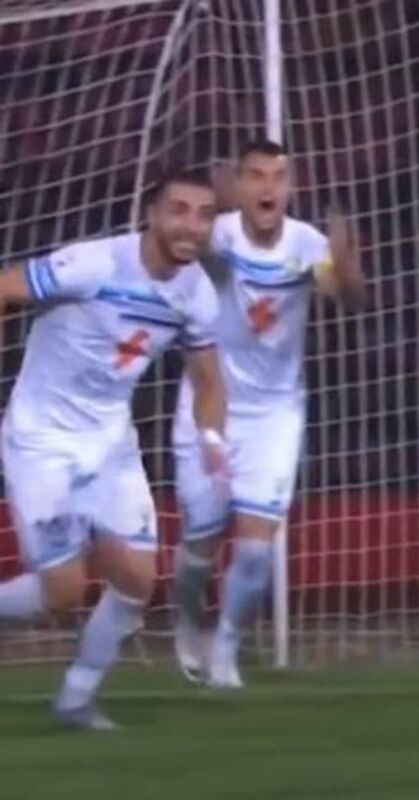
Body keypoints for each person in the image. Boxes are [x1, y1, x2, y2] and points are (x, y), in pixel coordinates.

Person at [0, 169, 226, 730]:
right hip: (42, 441)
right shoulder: (92, 264)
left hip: (110, 446)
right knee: (62, 592)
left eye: (204, 215)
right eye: (179, 210)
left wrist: (212, 438)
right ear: (152, 214)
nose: (191, 226)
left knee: (137, 579)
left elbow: (209, 379)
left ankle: (75, 700)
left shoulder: (197, 292)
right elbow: (7, 288)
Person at [171, 139, 365, 689]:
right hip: (210, 402)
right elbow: (191, 262)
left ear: (291, 187)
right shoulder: (219, 234)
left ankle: (226, 652)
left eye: (278, 177)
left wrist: (347, 266)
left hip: (276, 413)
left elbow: (345, 296)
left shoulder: (307, 246)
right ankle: (186, 619)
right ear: (239, 184)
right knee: (201, 538)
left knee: (256, 547)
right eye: (256, 176)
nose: (268, 187)